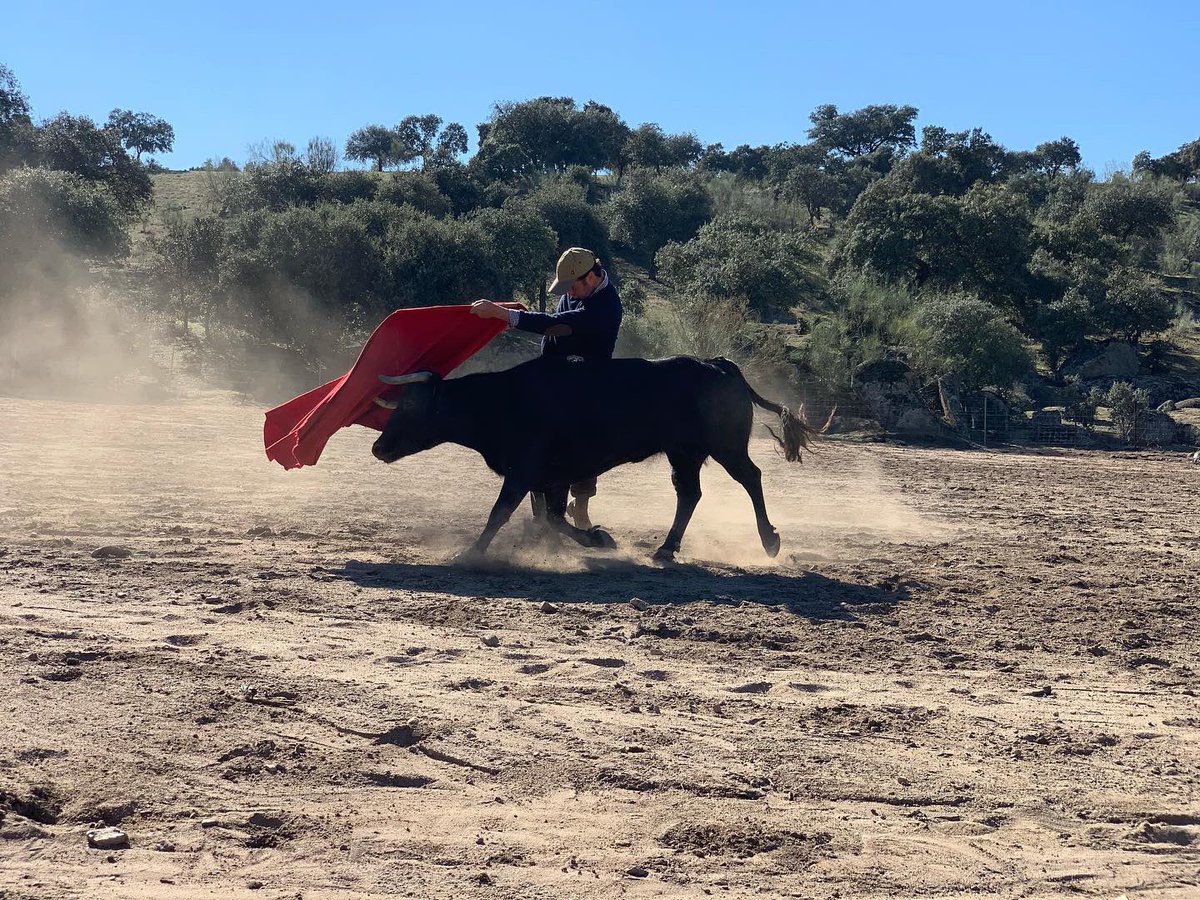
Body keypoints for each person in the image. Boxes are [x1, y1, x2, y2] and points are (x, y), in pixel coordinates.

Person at [470, 246, 623, 529]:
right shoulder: (578, 289)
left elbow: (557, 324)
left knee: (585, 444)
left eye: (572, 287)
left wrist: (503, 315)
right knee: (532, 441)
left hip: (588, 383)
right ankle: (543, 515)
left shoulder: (607, 307)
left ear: (590, 278)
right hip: (555, 376)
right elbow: (555, 325)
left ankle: (580, 506)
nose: (569, 294)